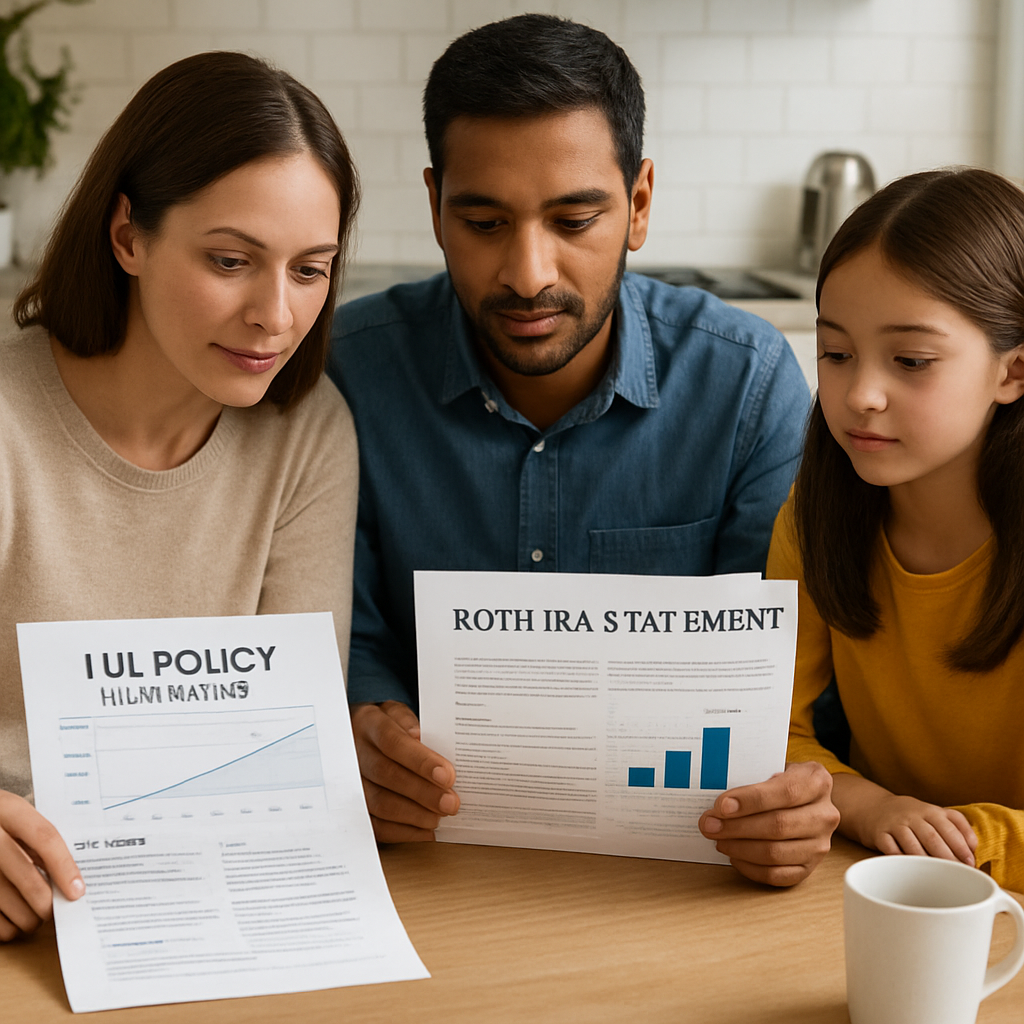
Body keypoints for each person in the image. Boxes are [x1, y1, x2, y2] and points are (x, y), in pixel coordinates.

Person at [329, 14, 839, 887]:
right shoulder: (347, 371)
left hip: (679, 870)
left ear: (639, 205)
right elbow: (347, 631)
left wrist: (792, 801)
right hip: (415, 864)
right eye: (484, 222)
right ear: (435, 208)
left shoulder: (747, 385)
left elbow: (776, 679)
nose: (528, 273)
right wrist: (366, 723)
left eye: (574, 219)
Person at [0, 51, 360, 941]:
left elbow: (292, 748)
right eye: (232, 260)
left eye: (310, 269)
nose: (275, 315)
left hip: (201, 899)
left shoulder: (307, 432)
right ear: (128, 236)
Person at [770, 167, 1024, 892]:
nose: (861, 395)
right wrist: (868, 805)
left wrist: (969, 837)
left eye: (911, 361)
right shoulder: (814, 520)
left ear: (1015, 370)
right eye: (836, 354)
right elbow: (769, 731)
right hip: (889, 886)